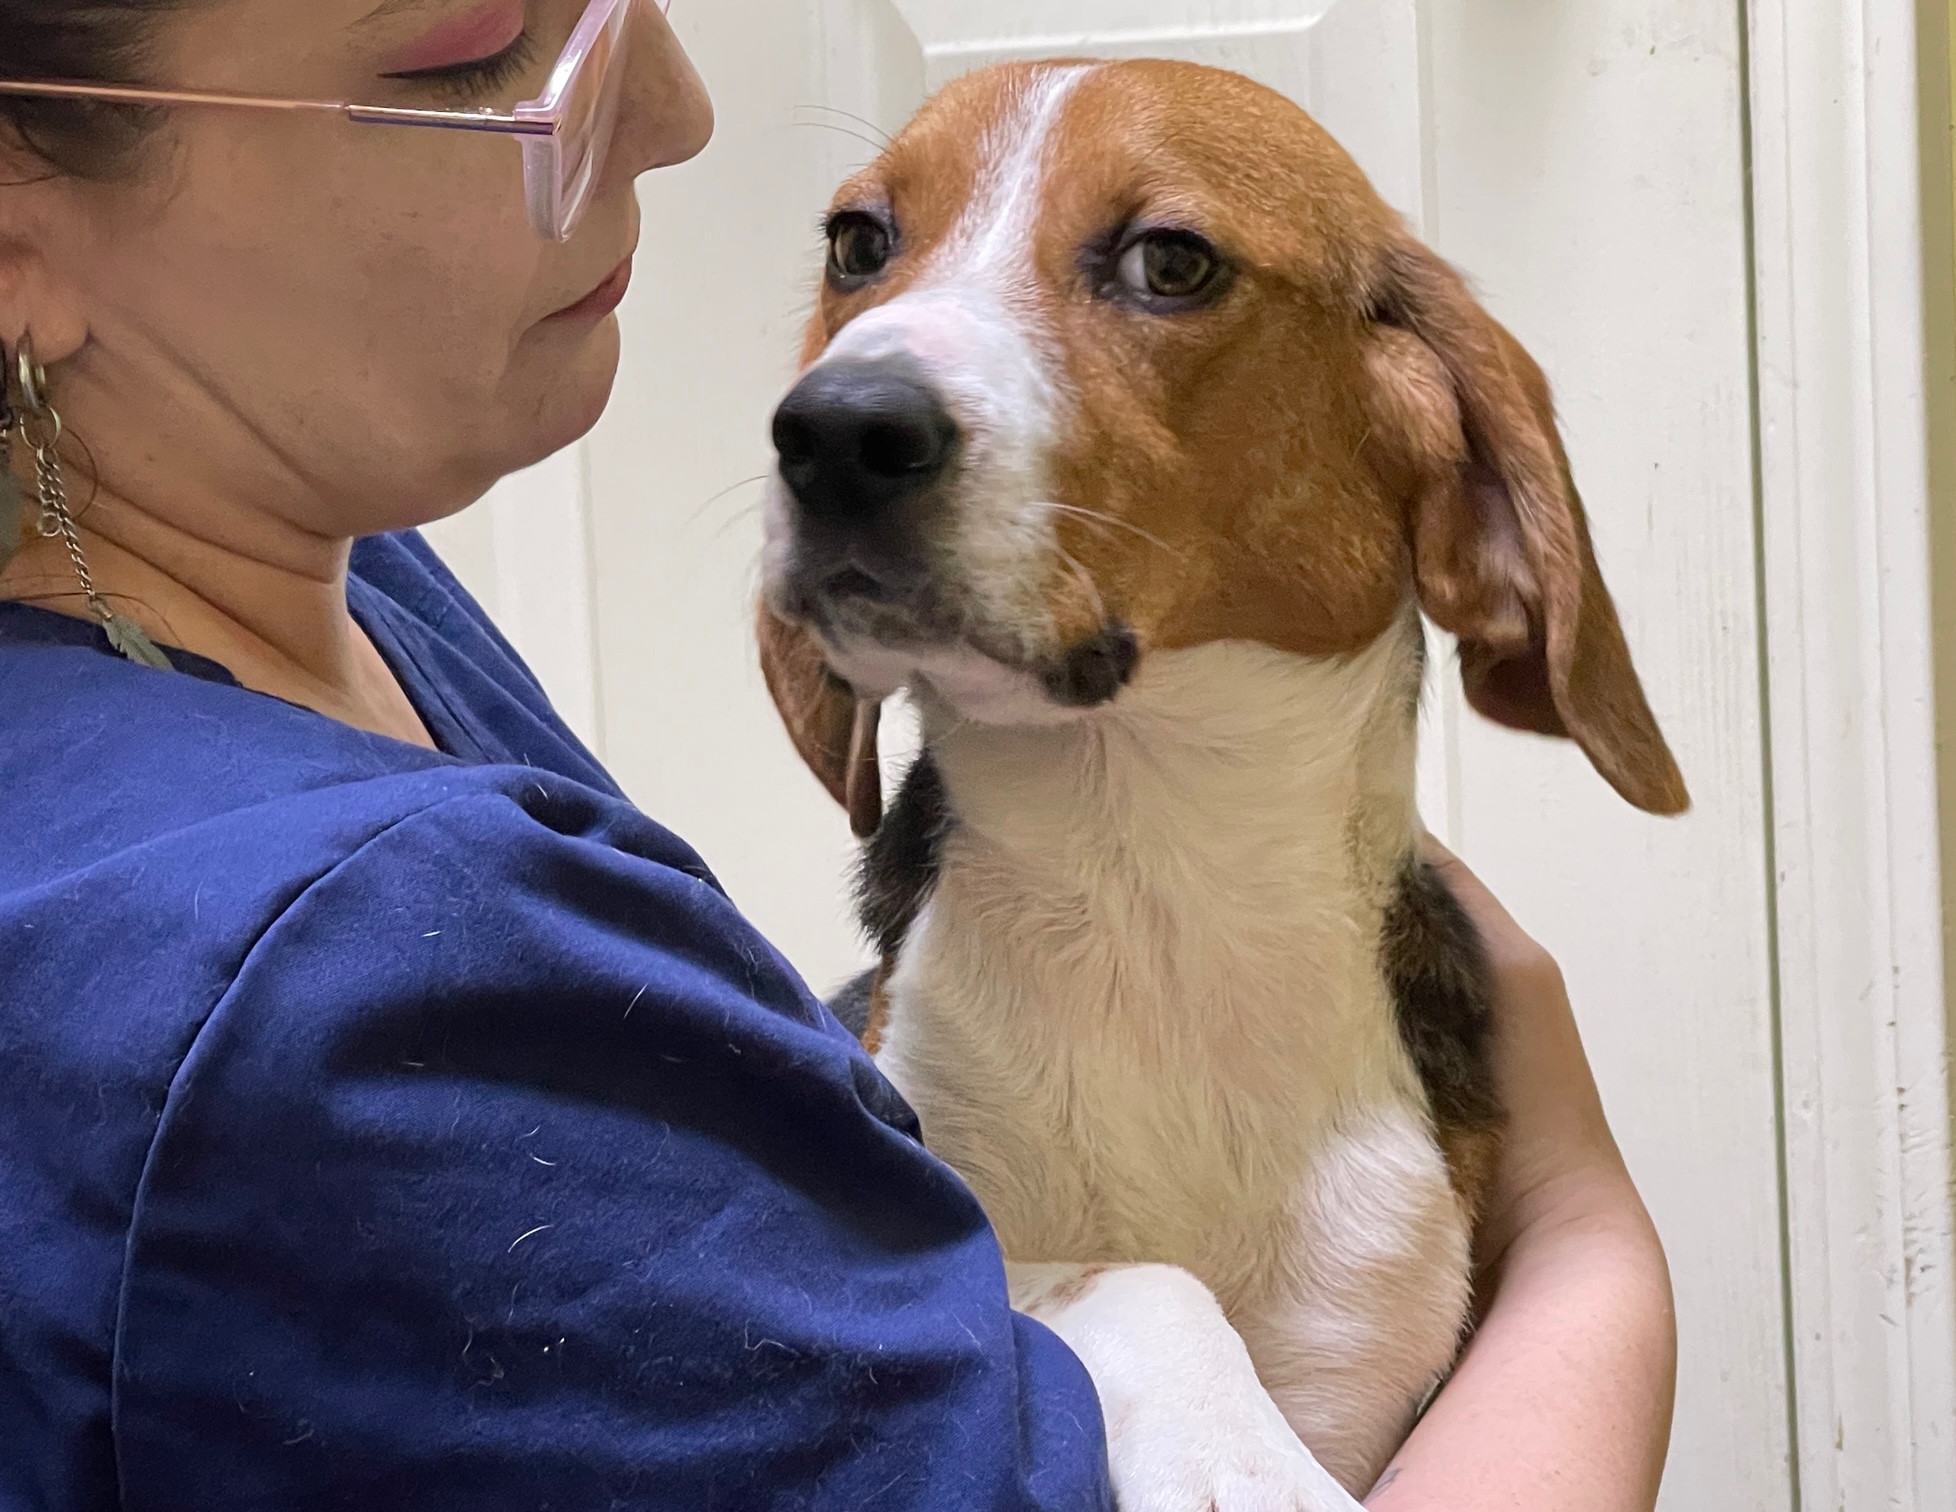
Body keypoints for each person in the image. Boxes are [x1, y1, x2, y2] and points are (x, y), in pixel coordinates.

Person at [0, 2, 1678, 1507]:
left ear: (1443, 464)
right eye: (473, 50)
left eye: (1164, 267)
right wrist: (1588, 1236)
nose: (669, 104)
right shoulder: (343, 962)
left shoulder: (346, 595)